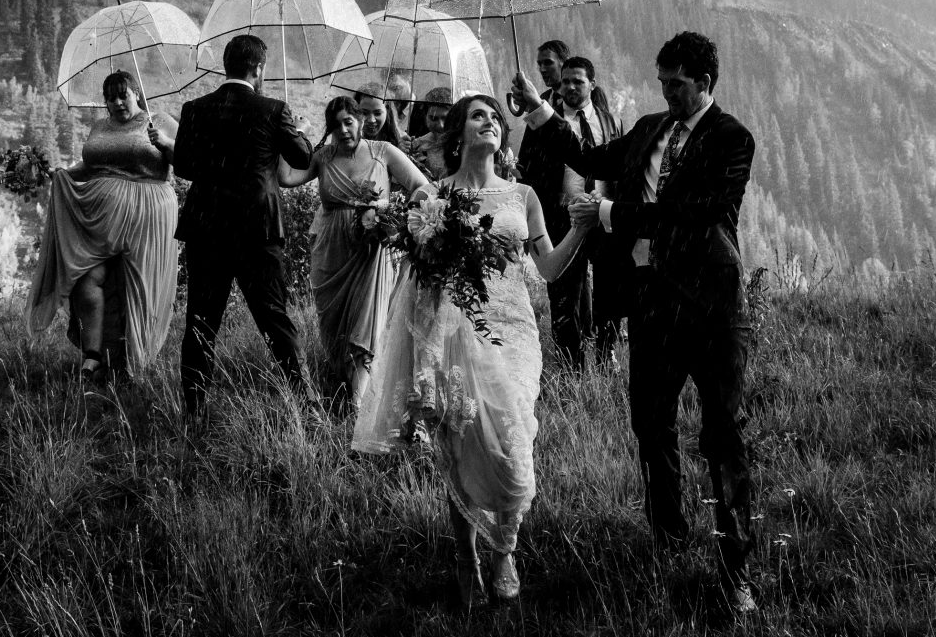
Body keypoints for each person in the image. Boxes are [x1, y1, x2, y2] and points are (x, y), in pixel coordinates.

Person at [511, 31, 759, 615]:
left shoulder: (731, 139)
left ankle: (736, 570)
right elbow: (590, 158)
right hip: (650, 303)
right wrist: (541, 108)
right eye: (662, 82)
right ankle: (667, 536)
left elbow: (698, 213)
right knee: (651, 426)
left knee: (723, 437)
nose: (667, 92)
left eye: (676, 83)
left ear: (704, 81)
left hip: (711, 309)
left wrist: (611, 213)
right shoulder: (649, 128)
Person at [354, 94, 596, 605]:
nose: (489, 122)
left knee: (512, 437)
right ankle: (466, 557)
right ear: (459, 132)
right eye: (477, 115)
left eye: (494, 117)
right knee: (461, 439)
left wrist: (580, 228)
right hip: (454, 330)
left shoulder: (522, 195)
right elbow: (417, 279)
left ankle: (504, 547)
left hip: (513, 332)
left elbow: (548, 269)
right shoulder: (435, 196)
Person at [169, 33, 316, 421]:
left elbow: (182, 165)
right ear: (259, 69)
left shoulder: (194, 108)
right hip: (257, 230)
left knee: (201, 321)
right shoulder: (273, 109)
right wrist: (297, 127)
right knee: (274, 317)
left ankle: (195, 412)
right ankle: (304, 402)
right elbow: (302, 158)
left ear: (227, 66)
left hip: (206, 228)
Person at [26, 70, 180, 379]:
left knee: (139, 286)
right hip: (100, 218)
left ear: (136, 92)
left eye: (123, 95)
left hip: (148, 216)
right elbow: (91, 165)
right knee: (87, 279)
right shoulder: (100, 126)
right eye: (110, 99)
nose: (118, 103)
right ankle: (94, 354)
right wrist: (64, 175)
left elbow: (187, 160)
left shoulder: (159, 120)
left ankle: (138, 361)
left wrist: (164, 143)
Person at [281, 95, 429, 408]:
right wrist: (294, 134)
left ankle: (361, 406)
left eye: (349, 121)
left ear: (359, 120)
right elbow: (287, 177)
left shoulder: (382, 152)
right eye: (336, 125)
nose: (344, 129)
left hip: (372, 249)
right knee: (334, 327)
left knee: (366, 326)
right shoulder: (322, 157)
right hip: (331, 249)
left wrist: (388, 210)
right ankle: (349, 385)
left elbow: (421, 185)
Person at [533, 55, 625, 368]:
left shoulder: (609, 120)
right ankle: (572, 364)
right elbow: (530, 169)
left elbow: (619, 169)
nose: (570, 87)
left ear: (592, 84)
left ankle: (606, 354)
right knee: (563, 295)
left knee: (609, 294)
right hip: (563, 219)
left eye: (578, 82)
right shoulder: (545, 122)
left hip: (604, 220)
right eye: (565, 82)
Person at [404, 86, 453, 179]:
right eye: (434, 118)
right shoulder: (416, 147)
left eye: (446, 118)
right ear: (425, 117)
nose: (441, 125)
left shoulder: (465, 144)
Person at [354, 81, 406, 150]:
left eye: (377, 113)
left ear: (387, 111)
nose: (371, 120)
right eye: (364, 113)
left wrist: (402, 154)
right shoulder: (348, 140)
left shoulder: (401, 139)